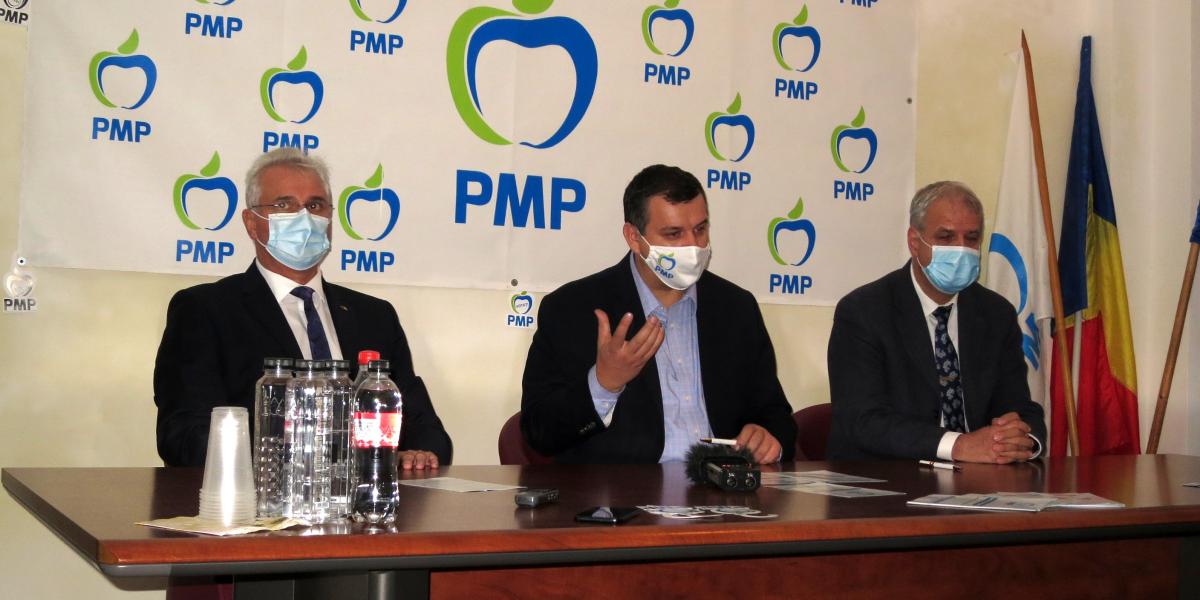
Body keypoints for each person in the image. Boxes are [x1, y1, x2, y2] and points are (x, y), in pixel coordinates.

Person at [154, 148, 452, 469]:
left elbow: (426, 430)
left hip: (365, 497)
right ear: (252, 223)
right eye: (284, 205)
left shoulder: (375, 317)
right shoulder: (205, 310)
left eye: (315, 205)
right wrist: (301, 461)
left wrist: (418, 455)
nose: (304, 218)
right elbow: (185, 434)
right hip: (262, 495)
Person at [520, 164, 796, 464]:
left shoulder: (736, 307)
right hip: (623, 489)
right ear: (634, 237)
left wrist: (769, 437)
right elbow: (539, 432)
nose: (693, 246)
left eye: (700, 229)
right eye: (673, 234)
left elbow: (776, 414)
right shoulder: (572, 309)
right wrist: (603, 383)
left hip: (720, 486)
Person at [826, 181, 1046, 463]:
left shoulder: (996, 314)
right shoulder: (863, 312)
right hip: (888, 476)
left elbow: (1018, 406)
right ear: (915, 242)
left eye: (971, 238)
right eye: (946, 237)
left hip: (980, 477)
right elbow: (864, 421)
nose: (961, 249)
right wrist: (958, 446)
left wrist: (1022, 440)